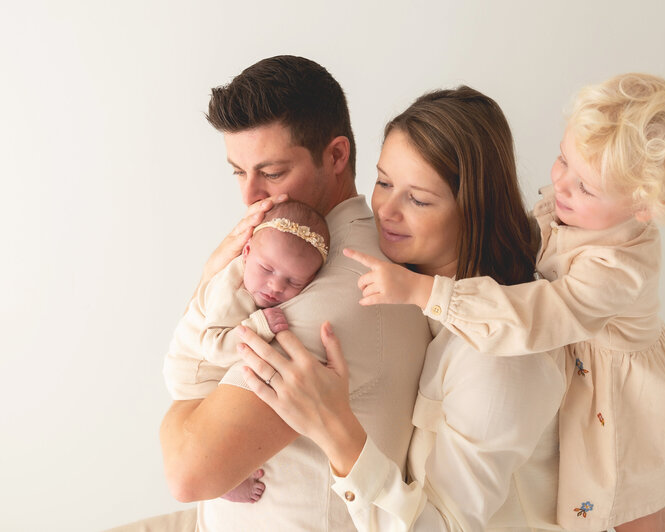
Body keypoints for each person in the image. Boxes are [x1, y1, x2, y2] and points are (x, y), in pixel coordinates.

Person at [311, 74, 665, 532]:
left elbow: (539, 315)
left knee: (629, 505)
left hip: (621, 397)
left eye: (420, 199)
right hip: (565, 353)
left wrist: (423, 294)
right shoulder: (561, 214)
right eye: (383, 181)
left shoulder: (610, 276)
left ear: (643, 206)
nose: (561, 185)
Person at [110, 55, 429, 531]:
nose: (249, 196)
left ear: (337, 156)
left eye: (272, 173)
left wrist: (204, 292)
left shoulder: (343, 290)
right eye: (238, 172)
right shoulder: (292, 256)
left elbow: (187, 471)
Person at [238, 86, 567, 530]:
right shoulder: (407, 292)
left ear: (474, 209)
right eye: (384, 182)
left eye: (418, 199)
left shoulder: (499, 358)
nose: (385, 211)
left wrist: (338, 431)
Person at [163, 199, 329, 503]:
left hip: (204, 358)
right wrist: (259, 326)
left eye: (294, 281)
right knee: (214, 438)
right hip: (195, 371)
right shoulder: (232, 290)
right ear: (247, 252)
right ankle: (225, 484)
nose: (275, 286)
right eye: (267, 269)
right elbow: (214, 347)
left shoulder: (261, 278)